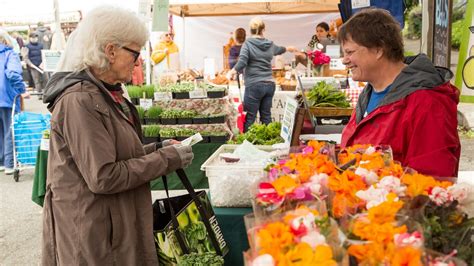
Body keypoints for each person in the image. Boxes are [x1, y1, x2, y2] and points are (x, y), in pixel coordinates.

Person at [41, 6, 194, 265]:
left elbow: (115, 156)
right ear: (111, 51)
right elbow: (104, 176)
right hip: (94, 237)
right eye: (134, 53)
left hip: (109, 228)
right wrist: (167, 159)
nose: (138, 61)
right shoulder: (80, 100)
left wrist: (158, 148)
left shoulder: (104, 93)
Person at [339, 8, 460, 177]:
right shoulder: (370, 91)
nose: (344, 60)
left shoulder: (427, 103)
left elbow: (433, 181)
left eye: (350, 52)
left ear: (379, 49)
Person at [227, 17, 296, 132]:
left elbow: (243, 61)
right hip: (269, 85)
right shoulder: (269, 44)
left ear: (251, 30)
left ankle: (247, 145)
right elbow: (279, 49)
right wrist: (289, 48)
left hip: (254, 85)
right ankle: (269, 145)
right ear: (263, 29)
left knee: (250, 118)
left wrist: (232, 71)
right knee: (266, 117)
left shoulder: (248, 44)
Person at [0, 30, 25, 175]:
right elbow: (12, 73)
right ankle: (9, 163)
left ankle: (2, 161)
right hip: (8, 97)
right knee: (10, 130)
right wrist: (21, 89)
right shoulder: (10, 54)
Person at [24, 32, 45, 99]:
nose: (34, 39)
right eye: (33, 37)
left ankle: (46, 93)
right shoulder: (27, 46)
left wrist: (43, 62)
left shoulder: (41, 45)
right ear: (30, 38)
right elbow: (26, 57)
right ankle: (39, 95)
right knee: (37, 81)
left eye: (36, 37)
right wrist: (30, 64)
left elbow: (43, 54)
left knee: (45, 79)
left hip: (42, 65)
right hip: (33, 66)